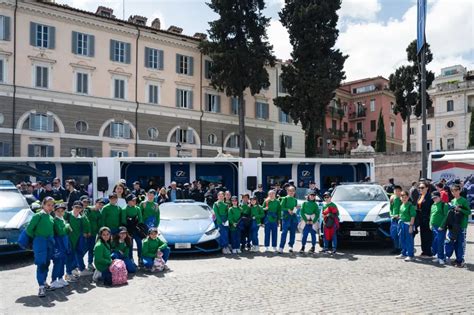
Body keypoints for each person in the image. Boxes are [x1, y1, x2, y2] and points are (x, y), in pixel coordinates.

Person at [26, 196, 55, 297]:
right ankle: (41, 287)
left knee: (47, 263)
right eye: (48, 205)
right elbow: (29, 229)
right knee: (41, 264)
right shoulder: (38, 216)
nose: (50, 207)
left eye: (52, 205)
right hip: (40, 242)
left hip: (49, 243)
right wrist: (37, 238)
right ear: (43, 205)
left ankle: (44, 282)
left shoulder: (51, 217)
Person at [65, 201, 92, 279]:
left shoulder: (82, 217)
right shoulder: (68, 215)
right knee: (70, 255)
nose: (77, 209)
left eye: (79, 207)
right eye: (76, 207)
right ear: (72, 207)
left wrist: (86, 232)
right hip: (69, 239)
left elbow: (86, 225)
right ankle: (68, 273)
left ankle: (77, 269)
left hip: (78, 239)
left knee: (78, 253)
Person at [445, 184, 471, 267]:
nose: (455, 192)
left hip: (462, 225)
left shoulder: (464, 200)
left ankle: (460, 260)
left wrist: (460, 209)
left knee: (460, 243)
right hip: (453, 225)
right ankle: (455, 259)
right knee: (453, 242)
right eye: (453, 191)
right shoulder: (452, 201)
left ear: (459, 191)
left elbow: (469, 212)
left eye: (456, 190)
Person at [51, 203, 71, 289]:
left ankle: (60, 278)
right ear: (54, 212)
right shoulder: (55, 220)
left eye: (62, 211)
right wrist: (67, 226)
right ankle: (54, 280)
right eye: (58, 211)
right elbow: (60, 232)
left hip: (64, 244)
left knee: (63, 261)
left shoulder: (62, 219)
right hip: (58, 244)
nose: (60, 212)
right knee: (58, 262)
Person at [122, 194, 143, 265]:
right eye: (133, 200)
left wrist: (137, 226)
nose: (135, 201)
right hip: (129, 230)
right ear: (128, 201)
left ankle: (140, 258)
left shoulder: (138, 208)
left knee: (139, 243)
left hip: (136, 230)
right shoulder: (124, 209)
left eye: (135, 200)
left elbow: (140, 220)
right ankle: (131, 259)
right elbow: (123, 221)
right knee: (130, 245)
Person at [429, 191, 449, 265]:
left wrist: (442, 225)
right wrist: (430, 224)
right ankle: (438, 256)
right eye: (433, 198)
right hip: (434, 227)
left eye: (435, 198)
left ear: (440, 197)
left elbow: (446, 216)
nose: (434, 199)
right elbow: (431, 215)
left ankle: (441, 257)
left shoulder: (444, 205)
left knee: (440, 242)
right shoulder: (433, 205)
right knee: (436, 241)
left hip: (441, 227)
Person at [85, 198, 104, 270]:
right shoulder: (88, 209)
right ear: (95, 203)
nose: (100, 206)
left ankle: (90, 263)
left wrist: (99, 234)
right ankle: (77, 265)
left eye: (102, 205)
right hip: (86, 233)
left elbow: (99, 224)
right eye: (99, 204)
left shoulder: (99, 213)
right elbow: (85, 221)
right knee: (83, 249)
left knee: (91, 249)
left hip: (93, 234)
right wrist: (87, 231)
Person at [397, 191, 416, 262]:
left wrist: (411, 226)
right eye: (402, 197)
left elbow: (413, 216)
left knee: (409, 240)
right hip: (402, 224)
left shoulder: (410, 206)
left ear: (408, 197)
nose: (404, 198)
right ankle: (404, 253)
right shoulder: (401, 205)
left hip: (408, 224)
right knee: (402, 239)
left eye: (405, 197)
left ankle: (410, 255)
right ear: (400, 198)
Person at [278, 186, 298, 253]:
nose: (291, 192)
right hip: (286, 218)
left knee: (293, 233)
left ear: (294, 192)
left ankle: (291, 246)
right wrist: (288, 209)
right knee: (284, 233)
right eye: (290, 191)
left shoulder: (295, 200)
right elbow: (281, 207)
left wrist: (294, 210)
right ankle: (281, 247)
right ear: (287, 191)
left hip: (293, 217)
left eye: (293, 191)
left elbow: (295, 208)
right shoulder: (285, 199)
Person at [416, 182, 433, 258]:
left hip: (427, 219)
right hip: (421, 219)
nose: (420, 189)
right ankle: (424, 251)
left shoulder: (430, 197)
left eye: (422, 187)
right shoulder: (420, 196)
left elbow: (431, 209)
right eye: (419, 188)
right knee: (422, 235)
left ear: (427, 188)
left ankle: (428, 252)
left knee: (428, 235)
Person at [389, 185, 402, 254]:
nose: (397, 192)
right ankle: (396, 248)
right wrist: (391, 215)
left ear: (400, 191)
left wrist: (400, 215)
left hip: (400, 219)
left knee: (400, 234)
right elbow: (390, 208)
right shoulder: (392, 198)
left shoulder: (402, 198)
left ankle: (401, 249)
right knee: (393, 234)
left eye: (398, 191)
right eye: (395, 191)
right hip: (393, 218)